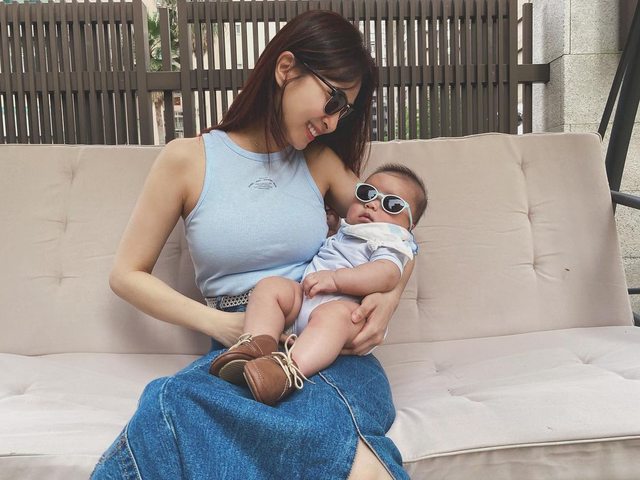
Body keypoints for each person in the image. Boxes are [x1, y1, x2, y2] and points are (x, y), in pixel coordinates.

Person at [92, 9, 413, 480]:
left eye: (343, 111)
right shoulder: (188, 159)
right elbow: (126, 275)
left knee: (291, 405)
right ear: (286, 69)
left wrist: (389, 297)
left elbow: (395, 232)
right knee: (170, 400)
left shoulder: (320, 162)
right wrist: (222, 325)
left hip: (323, 343)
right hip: (247, 348)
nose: (331, 122)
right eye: (332, 100)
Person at [210, 165, 427, 406]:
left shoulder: (389, 242)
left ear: (410, 226)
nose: (373, 204)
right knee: (271, 287)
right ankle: (257, 345)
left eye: (392, 204)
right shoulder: (348, 231)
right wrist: (332, 229)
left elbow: (386, 274)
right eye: (367, 193)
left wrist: (335, 279)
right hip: (304, 299)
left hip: (346, 316)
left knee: (333, 315)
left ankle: (287, 371)